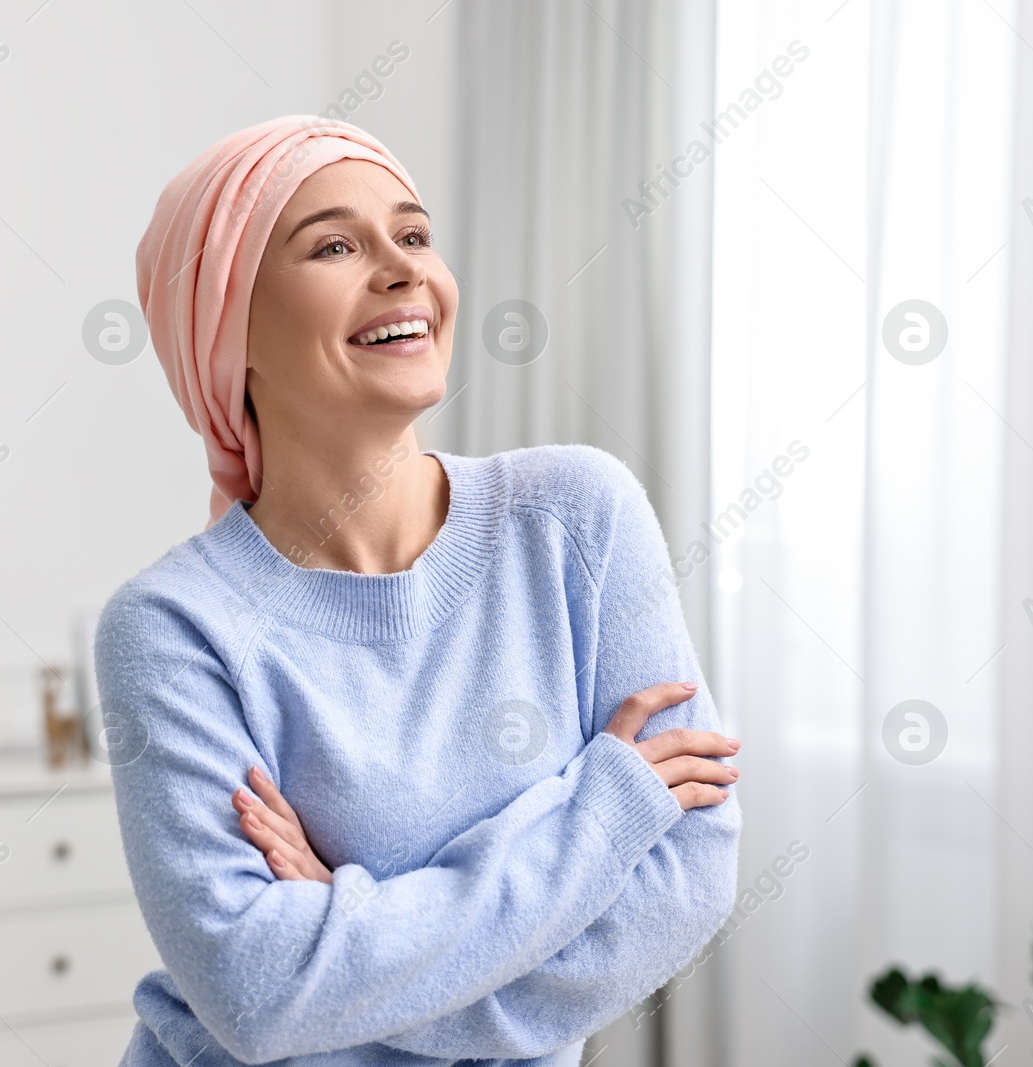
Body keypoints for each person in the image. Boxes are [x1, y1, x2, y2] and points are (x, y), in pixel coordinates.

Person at [96, 115, 742, 1067]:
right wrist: (597, 817)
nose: (404, 271)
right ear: (224, 327)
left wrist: (341, 916)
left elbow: (685, 881)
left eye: (412, 234)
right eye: (333, 245)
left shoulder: (577, 516)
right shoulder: (171, 628)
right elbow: (257, 992)